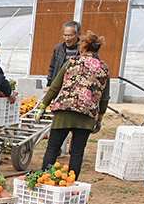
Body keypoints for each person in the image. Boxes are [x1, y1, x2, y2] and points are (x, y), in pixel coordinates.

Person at [34, 30, 110, 180]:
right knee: (77, 152)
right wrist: (99, 118)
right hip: (86, 116)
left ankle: (44, 179)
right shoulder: (103, 68)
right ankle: (71, 183)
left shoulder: (72, 62)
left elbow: (55, 87)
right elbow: (104, 97)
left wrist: (43, 106)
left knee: (52, 148)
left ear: (83, 47)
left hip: (64, 110)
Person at [48, 21, 81, 86]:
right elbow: (52, 68)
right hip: (59, 85)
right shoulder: (58, 49)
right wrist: (49, 84)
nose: (67, 39)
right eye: (65, 35)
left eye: (70, 35)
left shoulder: (84, 49)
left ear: (78, 34)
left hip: (76, 86)